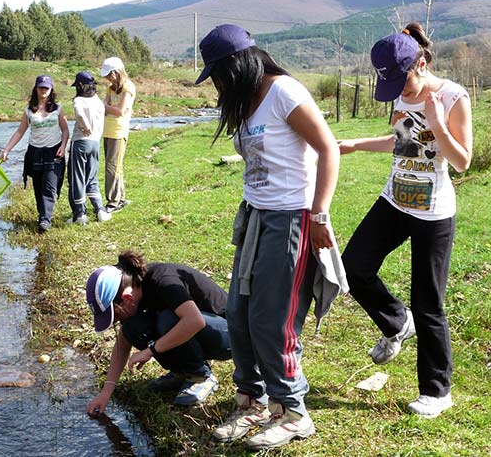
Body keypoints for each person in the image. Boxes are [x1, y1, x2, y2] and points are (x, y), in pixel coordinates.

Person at [196, 24, 340, 450]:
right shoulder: (244, 100)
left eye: (217, 75)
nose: (217, 85)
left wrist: (318, 214)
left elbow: (327, 149)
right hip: (255, 216)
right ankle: (252, 401)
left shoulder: (284, 92)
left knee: (272, 320)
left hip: (291, 219)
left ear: (236, 65)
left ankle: (293, 411)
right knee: (238, 314)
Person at [338, 23, 472, 419]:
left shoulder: (453, 97)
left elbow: (462, 161)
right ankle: (397, 323)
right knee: (353, 268)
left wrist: (438, 122)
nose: (401, 92)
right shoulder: (401, 95)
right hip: (395, 201)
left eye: (405, 83)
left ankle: (436, 390)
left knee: (428, 302)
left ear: (423, 63)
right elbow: (403, 142)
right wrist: (357, 145)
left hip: (433, 213)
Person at [86, 250, 231, 416]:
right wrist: (105, 393)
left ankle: (200, 376)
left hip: (228, 334)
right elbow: (123, 344)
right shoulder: (134, 290)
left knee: (168, 319)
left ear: (127, 298)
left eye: (116, 315)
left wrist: (150, 351)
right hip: (198, 330)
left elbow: (195, 321)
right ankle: (181, 372)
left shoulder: (163, 280)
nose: (116, 321)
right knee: (133, 327)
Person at [1, 74, 69, 232]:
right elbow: (20, 132)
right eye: (41, 87)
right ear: (36, 89)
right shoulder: (29, 110)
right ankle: (42, 215)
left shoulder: (58, 109)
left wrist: (63, 146)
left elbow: (65, 130)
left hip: (54, 151)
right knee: (38, 186)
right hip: (35, 152)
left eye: (46, 87)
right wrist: (7, 150)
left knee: (50, 186)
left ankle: (45, 220)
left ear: (51, 89)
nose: (44, 90)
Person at [67, 71, 111, 225]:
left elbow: (79, 114)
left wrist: (85, 125)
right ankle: (100, 210)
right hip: (95, 143)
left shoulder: (79, 100)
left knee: (77, 178)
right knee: (91, 176)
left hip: (80, 142)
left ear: (79, 86)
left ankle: (80, 215)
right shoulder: (98, 101)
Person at [100, 57, 136, 213]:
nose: (108, 78)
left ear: (117, 73)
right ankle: (120, 198)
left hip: (119, 131)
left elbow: (120, 111)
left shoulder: (128, 88)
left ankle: (113, 202)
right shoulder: (110, 87)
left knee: (112, 167)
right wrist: (109, 107)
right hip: (107, 130)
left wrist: (108, 107)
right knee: (114, 166)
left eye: (109, 75)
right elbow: (104, 106)